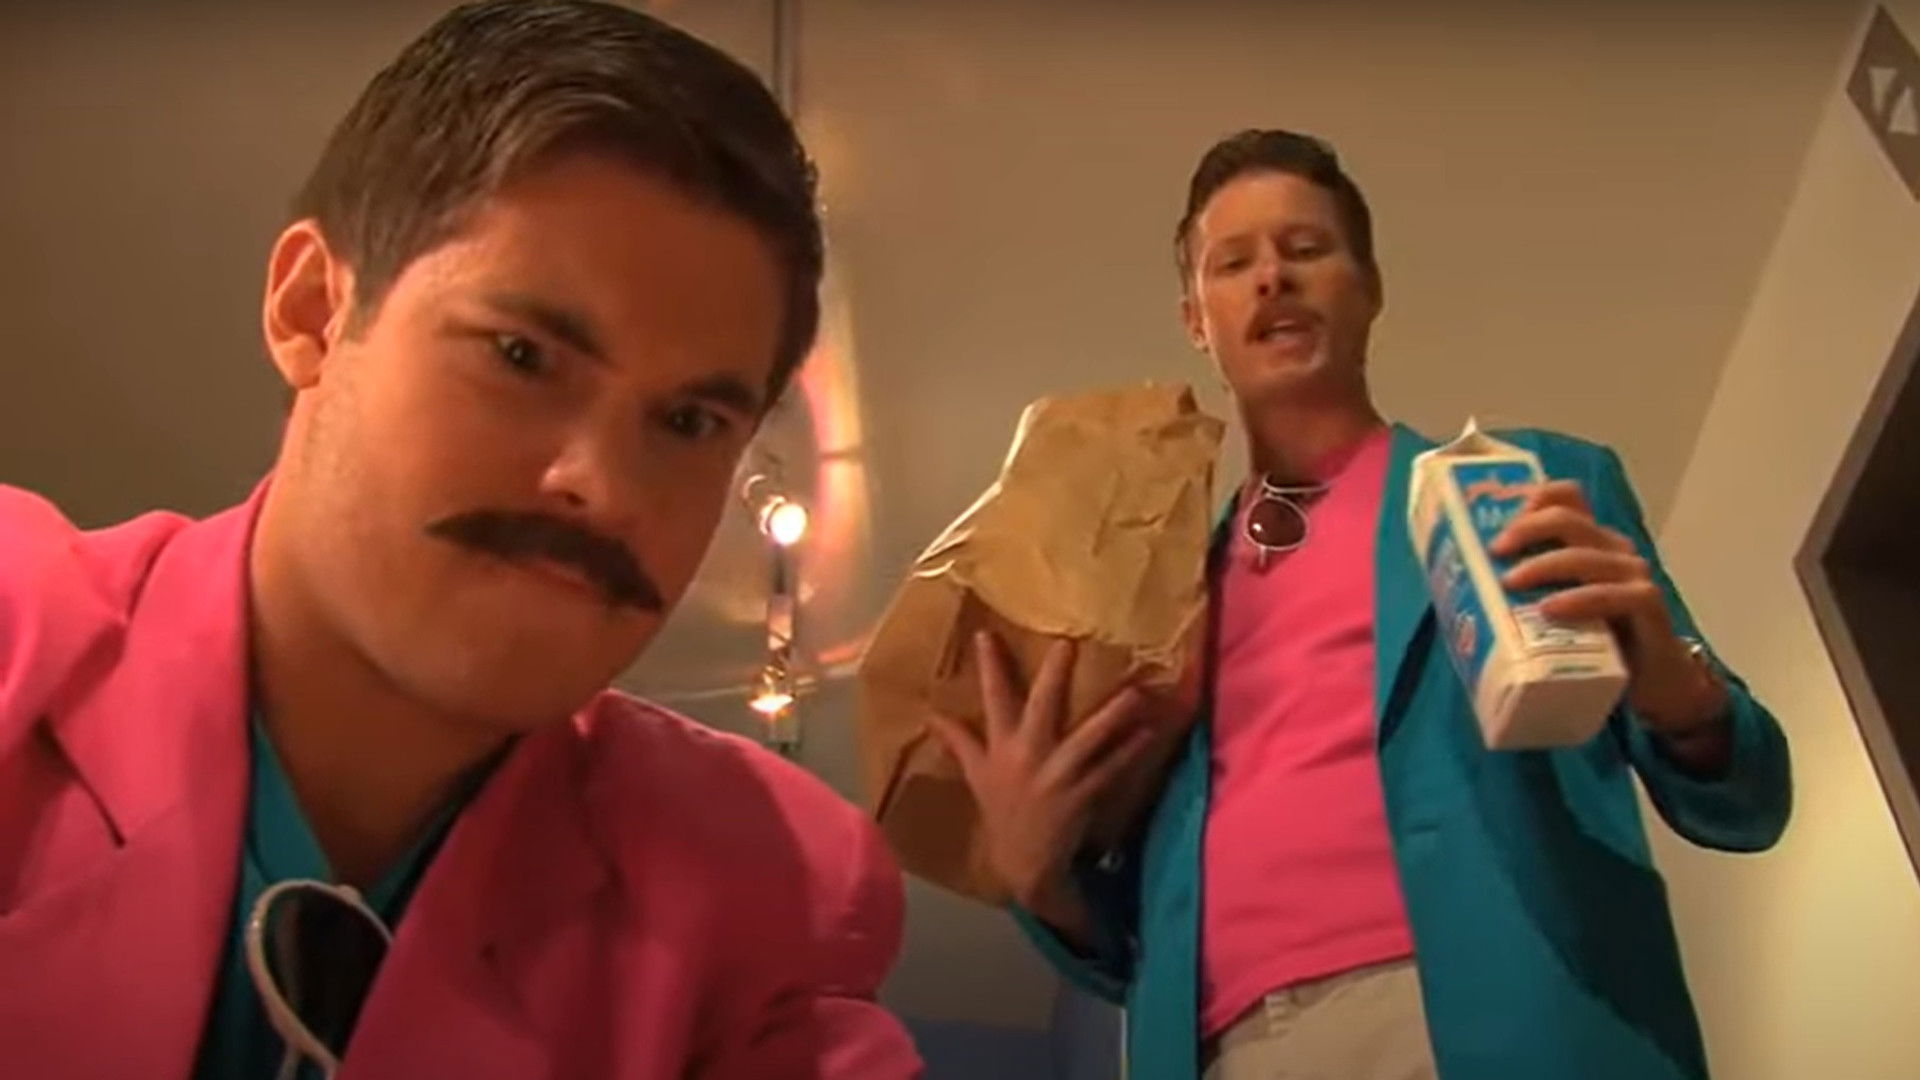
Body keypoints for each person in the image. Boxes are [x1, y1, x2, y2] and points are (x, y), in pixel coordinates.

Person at [0, 3, 922, 1078]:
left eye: (686, 423)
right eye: (522, 357)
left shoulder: (763, 892)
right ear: (313, 310)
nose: (601, 487)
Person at [932, 130, 1791, 1080]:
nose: (1272, 278)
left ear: (1369, 287)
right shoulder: (1158, 601)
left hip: (1497, 1016)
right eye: (1234, 264)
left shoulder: (1533, 486)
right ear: (1196, 322)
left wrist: (1683, 693)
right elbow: (1126, 947)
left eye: (1306, 249)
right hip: (1229, 1049)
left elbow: (1747, 803)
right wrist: (1035, 876)